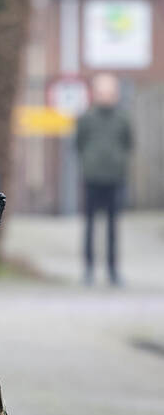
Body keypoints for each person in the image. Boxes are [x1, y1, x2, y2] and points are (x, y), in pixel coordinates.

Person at [75, 73, 133, 286]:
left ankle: (113, 270)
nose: (106, 96)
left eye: (110, 91)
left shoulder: (122, 118)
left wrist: (118, 163)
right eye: (102, 91)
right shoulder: (87, 118)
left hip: (114, 179)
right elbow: (79, 143)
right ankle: (88, 269)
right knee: (89, 225)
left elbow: (128, 142)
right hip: (92, 178)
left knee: (112, 227)